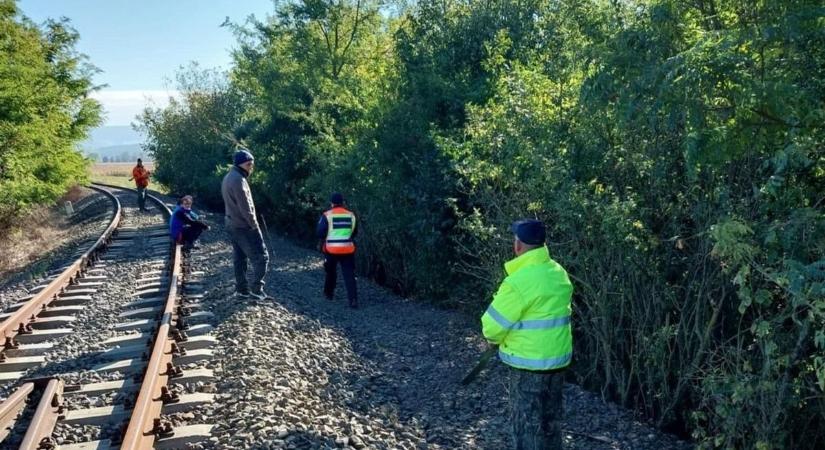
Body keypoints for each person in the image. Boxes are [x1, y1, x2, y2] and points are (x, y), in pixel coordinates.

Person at [481, 219, 573, 450]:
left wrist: (499, 339)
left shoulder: (518, 282)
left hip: (528, 367)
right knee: (551, 425)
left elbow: (491, 328)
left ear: (518, 246)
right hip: (558, 363)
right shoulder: (558, 273)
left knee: (527, 428)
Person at [221, 149, 270, 300]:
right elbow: (245, 207)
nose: (251, 167)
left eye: (252, 164)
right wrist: (254, 225)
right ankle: (257, 289)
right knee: (262, 257)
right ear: (241, 164)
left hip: (231, 223)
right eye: (249, 164)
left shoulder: (229, 176)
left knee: (240, 258)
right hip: (243, 226)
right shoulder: (238, 180)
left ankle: (241, 290)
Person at [316, 192, 358, 308]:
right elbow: (354, 232)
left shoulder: (327, 215)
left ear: (332, 203)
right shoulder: (351, 215)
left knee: (331, 272)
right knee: (349, 275)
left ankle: (328, 294)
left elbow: (320, 232)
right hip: (348, 249)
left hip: (331, 250)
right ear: (343, 203)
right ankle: (353, 299)